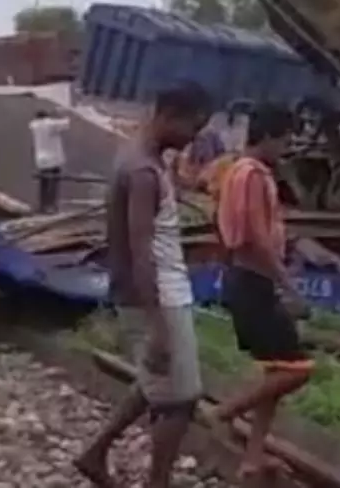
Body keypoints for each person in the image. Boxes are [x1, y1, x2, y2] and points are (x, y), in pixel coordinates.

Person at [75, 81, 213, 488]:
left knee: (154, 384)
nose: (194, 137)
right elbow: (140, 250)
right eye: (193, 126)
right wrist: (155, 325)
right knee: (181, 401)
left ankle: (95, 453)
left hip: (159, 294)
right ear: (169, 116)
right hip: (159, 297)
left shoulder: (142, 159)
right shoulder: (142, 172)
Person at [207, 104, 315, 484]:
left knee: (277, 370)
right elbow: (255, 237)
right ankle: (222, 412)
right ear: (268, 136)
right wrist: (289, 287)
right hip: (254, 281)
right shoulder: (252, 174)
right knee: (299, 369)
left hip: (246, 279)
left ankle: (252, 458)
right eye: (285, 140)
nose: (286, 148)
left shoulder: (236, 171)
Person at [29, 109, 70, 214]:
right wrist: (62, 113)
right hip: (53, 159)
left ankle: (42, 206)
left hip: (41, 160)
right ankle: (51, 206)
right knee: (53, 184)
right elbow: (66, 123)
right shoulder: (50, 125)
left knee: (43, 184)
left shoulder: (34, 126)